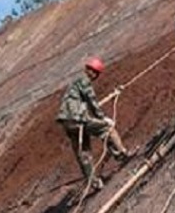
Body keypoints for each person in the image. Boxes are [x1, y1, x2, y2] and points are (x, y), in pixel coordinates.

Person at [56, 57, 130, 191]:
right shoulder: (84, 81)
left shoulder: (73, 85)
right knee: (107, 129)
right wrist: (103, 118)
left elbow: (81, 104)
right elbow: (92, 102)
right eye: (94, 72)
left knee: (83, 152)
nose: (95, 75)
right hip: (78, 118)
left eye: (97, 73)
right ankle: (121, 153)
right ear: (87, 70)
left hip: (67, 123)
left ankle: (94, 183)